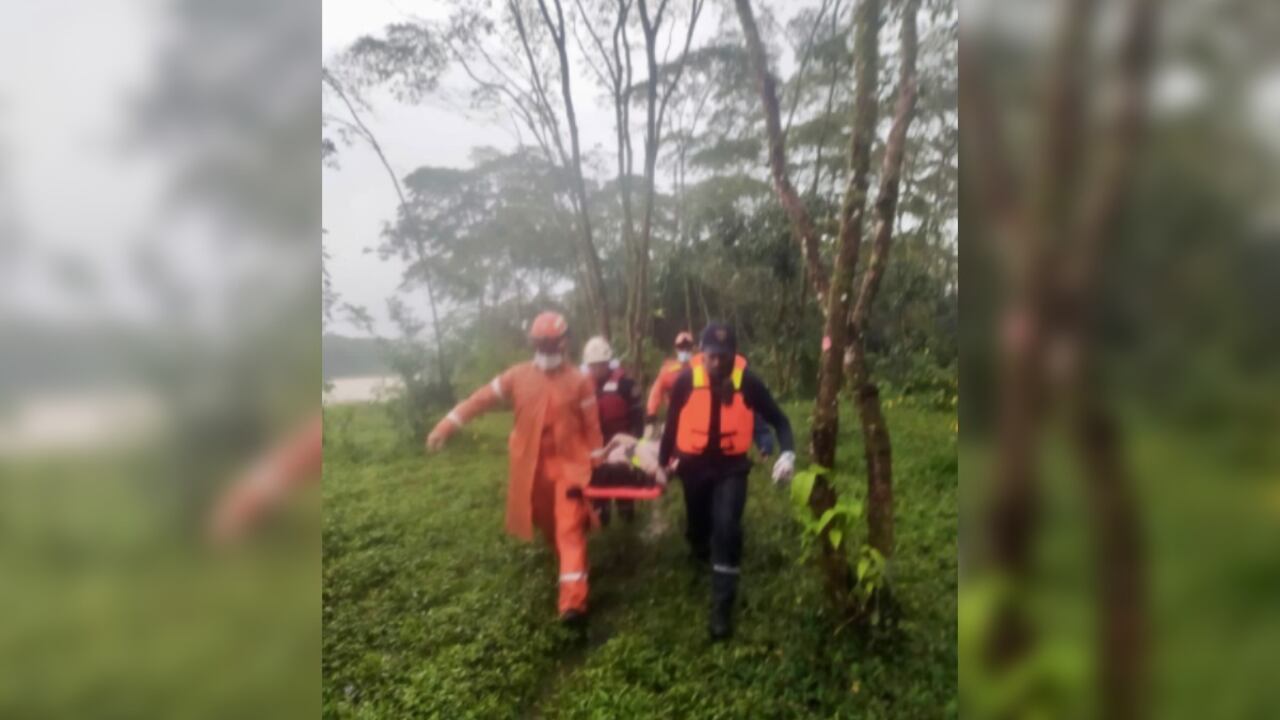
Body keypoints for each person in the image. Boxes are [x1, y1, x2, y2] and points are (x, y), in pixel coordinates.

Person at [426, 311, 603, 626]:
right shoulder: (516, 376)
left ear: (563, 343)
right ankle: (574, 570)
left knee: (569, 529)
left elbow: (592, 428)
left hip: (570, 470)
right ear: (536, 344)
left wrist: (599, 467)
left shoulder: (579, 381)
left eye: (554, 343)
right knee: (552, 532)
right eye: (543, 343)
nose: (550, 349)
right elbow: (478, 400)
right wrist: (445, 427)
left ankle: (573, 605)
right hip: (532, 473)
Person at [659, 323, 797, 640]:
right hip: (692, 465)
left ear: (733, 355)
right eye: (711, 357)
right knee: (699, 527)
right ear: (701, 355)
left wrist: (787, 452)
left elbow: (780, 420)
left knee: (726, 526)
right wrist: (662, 465)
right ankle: (698, 547)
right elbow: (670, 427)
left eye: (724, 357)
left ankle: (721, 608)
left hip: (731, 467)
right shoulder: (684, 381)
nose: (717, 364)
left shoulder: (747, 382)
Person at [582, 335, 644, 525]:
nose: (596, 369)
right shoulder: (581, 387)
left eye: (600, 364)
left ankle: (628, 523)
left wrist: (633, 445)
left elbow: (637, 419)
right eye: (592, 365)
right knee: (597, 485)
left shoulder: (626, 385)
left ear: (608, 362)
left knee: (624, 478)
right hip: (596, 446)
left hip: (623, 443)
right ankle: (602, 522)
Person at [644, 331, 696, 438]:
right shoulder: (668, 371)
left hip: (697, 415)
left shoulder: (701, 368)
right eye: (681, 347)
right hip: (674, 415)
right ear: (676, 349)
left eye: (688, 347)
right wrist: (651, 413)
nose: (685, 350)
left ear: (692, 348)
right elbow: (656, 392)